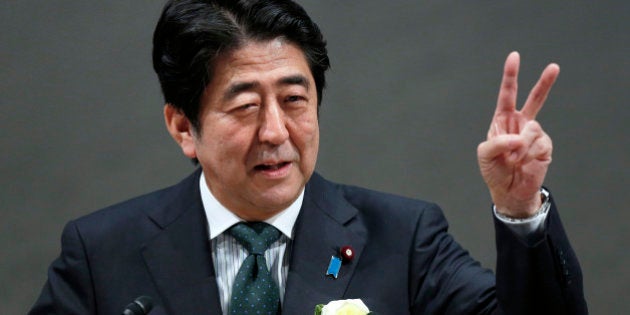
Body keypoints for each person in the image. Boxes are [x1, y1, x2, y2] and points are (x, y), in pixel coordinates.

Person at [29, 0, 587, 314]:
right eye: (245, 107)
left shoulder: (405, 238)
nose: (276, 132)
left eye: (295, 100)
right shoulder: (103, 253)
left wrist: (519, 209)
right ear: (183, 126)